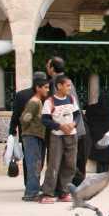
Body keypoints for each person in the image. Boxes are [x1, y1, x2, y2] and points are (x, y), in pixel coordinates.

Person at [40, 74, 80, 203]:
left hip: (71, 135)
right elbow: (45, 120)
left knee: (70, 164)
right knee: (54, 164)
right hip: (57, 137)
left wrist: (73, 124)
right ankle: (48, 193)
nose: (69, 88)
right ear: (59, 86)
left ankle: (64, 191)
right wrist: (59, 126)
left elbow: (77, 115)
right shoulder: (49, 101)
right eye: (67, 85)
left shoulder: (72, 99)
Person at [19, 78, 50, 201]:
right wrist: (29, 130)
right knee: (33, 164)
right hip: (32, 136)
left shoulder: (38, 101)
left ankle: (33, 191)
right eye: (45, 87)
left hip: (35, 136)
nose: (47, 90)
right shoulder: (34, 102)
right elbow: (25, 118)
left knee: (36, 164)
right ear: (38, 88)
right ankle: (31, 193)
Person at [84, 93, 109, 173]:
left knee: (100, 154)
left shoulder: (92, 108)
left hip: (96, 136)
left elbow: (87, 119)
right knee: (107, 154)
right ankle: (105, 172)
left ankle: (100, 171)